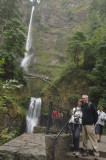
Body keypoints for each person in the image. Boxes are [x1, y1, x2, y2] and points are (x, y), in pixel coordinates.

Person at [81, 95, 99, 160]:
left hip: (90, 124)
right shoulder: (83, 105)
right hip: (83, 124)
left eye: (84, 98)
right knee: (84, 138)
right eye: (82, 98)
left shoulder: (91, 104)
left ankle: (96, 154)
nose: (83, 99)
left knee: (93, 139)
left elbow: (96, 114)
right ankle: (85, 151)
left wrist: (94, 123)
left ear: (87, 98)